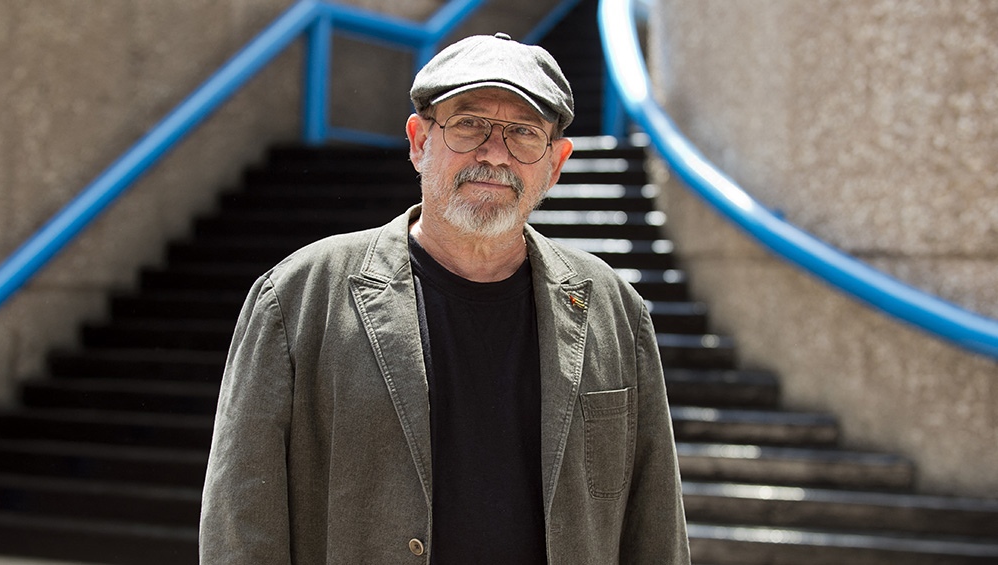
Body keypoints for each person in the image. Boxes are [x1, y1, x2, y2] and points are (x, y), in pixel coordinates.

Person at [200, 32, 690, 564]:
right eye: (469, 125)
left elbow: (655, 527)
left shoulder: (613, 310)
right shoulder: (297, 298)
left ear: (555, 164)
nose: (494, 154)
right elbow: (239, 530)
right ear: (418, 141)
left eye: (524, 133)